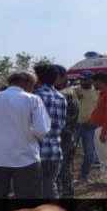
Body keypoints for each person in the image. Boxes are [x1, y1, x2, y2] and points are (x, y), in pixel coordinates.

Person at [0, 72, 49, 198]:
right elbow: (41, 130)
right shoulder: (33, 99)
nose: (33, 89)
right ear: (27, 83)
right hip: (26, 159)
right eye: (33, 85)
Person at [33, 62, 67, 198]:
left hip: (37, 150)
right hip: (55, 150)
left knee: (36, 188)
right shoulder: (61, 97)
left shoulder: (35, 96)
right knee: (50, 185)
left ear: (38, 78)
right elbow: (62, 124)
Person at [56, 67, 80, 197]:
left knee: (62, 172)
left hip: (63, 139)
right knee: (65, 171)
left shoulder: (65, 95)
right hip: (68, 138)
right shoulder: (68, 93)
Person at [75, 71, 100, 183]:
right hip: (75, 126)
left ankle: (83, 176)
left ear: (91, 80)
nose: (82, 81)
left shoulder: (97, 92)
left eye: (85, 79)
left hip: (90, 126)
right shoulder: (75, 90)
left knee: (90, 154)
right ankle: (65, 177)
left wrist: (95, 120)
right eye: (81, 79)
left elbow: (99, 109)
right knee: (69, 152)